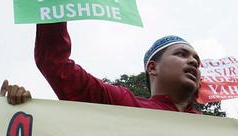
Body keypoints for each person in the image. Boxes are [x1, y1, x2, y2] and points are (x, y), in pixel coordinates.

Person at [35, 22, 202, 113]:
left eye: (196, 59)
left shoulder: (216, 130)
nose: (193, 62)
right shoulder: (124, 104)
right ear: (152, 68)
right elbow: (55, 65)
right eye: (181, 54)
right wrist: (55, 7)